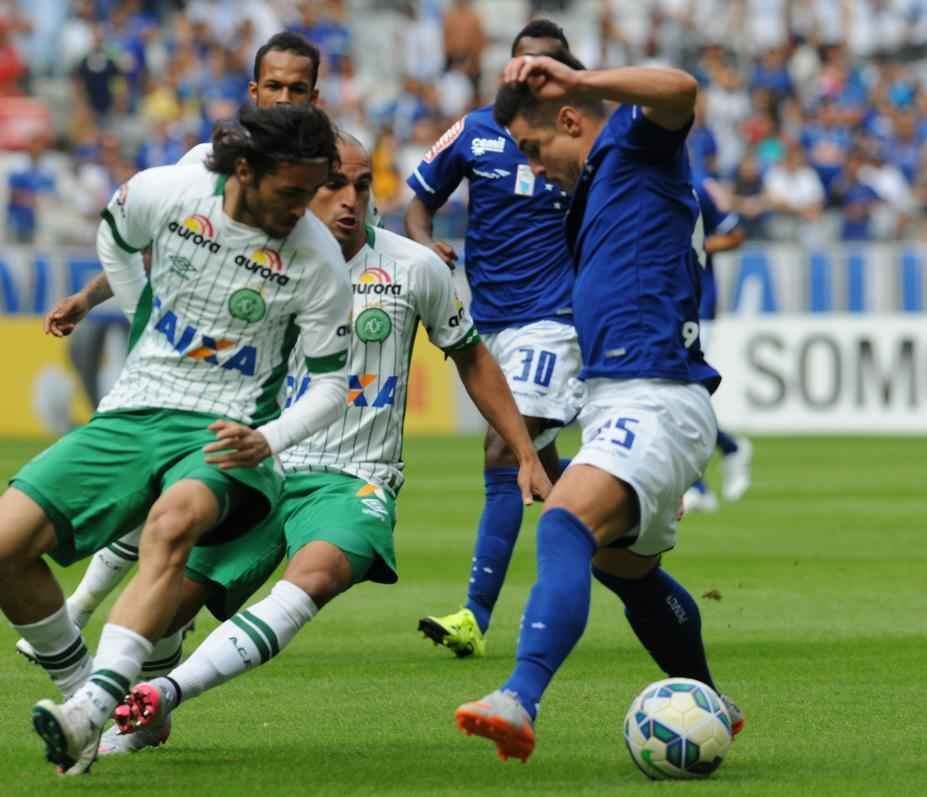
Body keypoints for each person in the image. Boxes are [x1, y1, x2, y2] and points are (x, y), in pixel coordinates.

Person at [97, 132, 551, 755]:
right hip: (262, 466)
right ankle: (145, 694)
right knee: (165, 605)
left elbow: (471, 357)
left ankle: (165, 693)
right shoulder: (257, 257)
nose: (348, 200)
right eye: (334, 184)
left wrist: (525, 453)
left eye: (361, 186)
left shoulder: (415, 267)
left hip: (354, 476)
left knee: (317, 573)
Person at [4, 103, 352, 775]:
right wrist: (143, 313)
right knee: (6, 546)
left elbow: (334, 388)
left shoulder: (317, 261)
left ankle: (90, 709)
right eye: (289, 192)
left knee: (171, 522)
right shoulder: (170, 190)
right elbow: (114, 230)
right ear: (244, 170)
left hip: (227, 433)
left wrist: (268, 438)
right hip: (133, 411)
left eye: (311, 192)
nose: (301, 208)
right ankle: (83, 696)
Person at [454, 53, 744, 763]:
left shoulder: (631, 144)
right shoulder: (597, 190)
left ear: (571, 119)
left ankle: (519, 696)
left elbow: (681, 88)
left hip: (655, 393)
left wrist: (584, 79)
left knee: (563, 526)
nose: (534, 168)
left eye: (534, 149)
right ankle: (712, 701)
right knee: (624, 570)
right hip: (630, 397)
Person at [25, 32, 328, 659]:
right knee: (163, 505)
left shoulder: (322, 173)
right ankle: (96, 623)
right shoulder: (202, 164)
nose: (284, 97)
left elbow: (338, 271)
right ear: (254, 90)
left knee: (186, 523)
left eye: (297, 89)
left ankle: (143, 647)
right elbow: (172, 248)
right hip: (183, 366)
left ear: (315, 95)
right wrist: (94, 299)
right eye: (274, 86)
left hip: (275, 370)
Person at [406, 21, 582, 659]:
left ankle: (474, 617)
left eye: (546, 66)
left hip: (556, 319)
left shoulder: (579, 137)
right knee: (547, 472)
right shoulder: (474, 130)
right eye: (523, 66)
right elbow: (418, 202)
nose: (532, 75)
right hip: (492, 323)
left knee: (504, 455)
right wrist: (426, 245)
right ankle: (635, 561)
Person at [680, 176, 751, 515]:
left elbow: (735, 235)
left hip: (698, 307)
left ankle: (697, 485)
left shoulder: (693, 187)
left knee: (683, 392)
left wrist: (696, 246)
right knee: (679, 396)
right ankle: (729, 447)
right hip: (657, 303)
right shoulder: (630, 178)